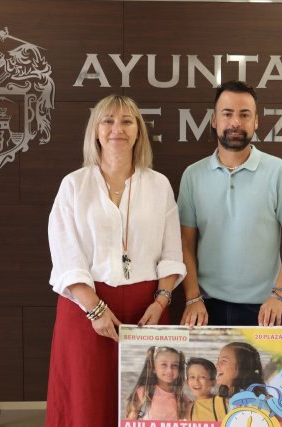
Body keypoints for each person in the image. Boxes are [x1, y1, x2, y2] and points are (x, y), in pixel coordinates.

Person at [45, 94, 186, 427]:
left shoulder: (159, 184)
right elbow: (66, 253)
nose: (116, 129)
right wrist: (94, 309)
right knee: (86, 401)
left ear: (138, 131)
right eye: (108, 121)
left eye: (126, 121)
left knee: (146, 406)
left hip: (147, 310)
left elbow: (172, 253)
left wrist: (162, 301)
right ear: (95, 130)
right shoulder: (73, 185)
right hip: (85, 309)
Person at [177, 80, 282, 327]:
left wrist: (279, 295)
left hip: (263, 310)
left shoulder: (278, 171)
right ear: (214, 120)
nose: (235, 122)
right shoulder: (192, 175)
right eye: (227, 114)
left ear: (256, 122)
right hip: (205, 307)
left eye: (244, 115)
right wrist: (192, 297)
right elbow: (184, 243)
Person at [125, 346, 190, 420]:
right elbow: (131, 420)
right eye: (164, 365)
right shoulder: (144, 392)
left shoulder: (183, 399)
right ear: (153, 368)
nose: (169, 370)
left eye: (175, 365)